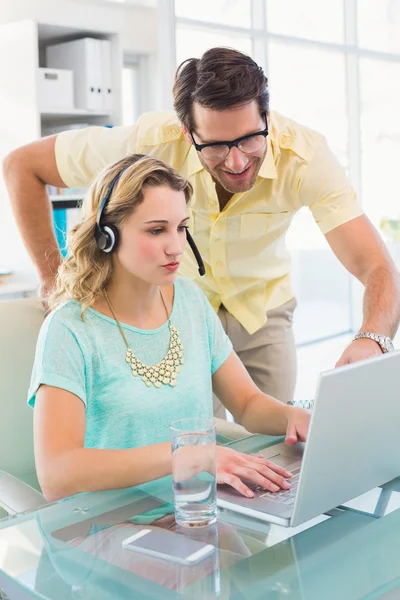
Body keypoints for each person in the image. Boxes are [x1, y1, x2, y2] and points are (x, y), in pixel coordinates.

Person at [5, 48, 399, 419]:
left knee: (277, 449)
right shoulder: (148, 142)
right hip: (178, 314)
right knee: (194, 443)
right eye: (214, 146)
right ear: (185, 131)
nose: (237, 161)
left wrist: (372, 337)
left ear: (267, 117)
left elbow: (376, 265)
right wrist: (51, 281)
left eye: (249, 138)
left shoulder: (307, 159)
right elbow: (22, 166)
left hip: (263, 311)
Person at [28, 153, 309, 503]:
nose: (176, 247)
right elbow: (58, 474)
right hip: (109, 526)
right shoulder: (69, 329)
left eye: (181, 227)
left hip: (194, 507)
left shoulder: (190, 300)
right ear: (106, 237)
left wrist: (294, 417)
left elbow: (248, 403)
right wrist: (184, 457)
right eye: (157, 230)